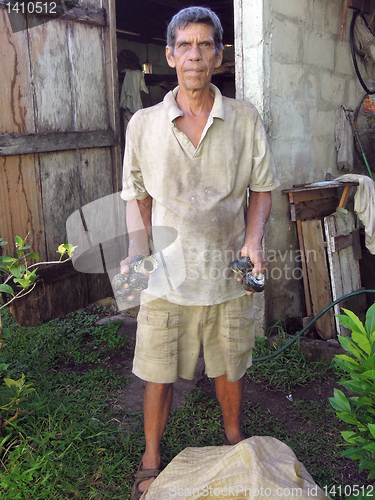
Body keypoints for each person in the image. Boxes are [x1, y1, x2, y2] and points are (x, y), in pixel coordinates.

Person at [120, 6, 280, 499]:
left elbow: (262, 189)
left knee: (229, 366)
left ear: (219, 55)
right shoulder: (143, 125)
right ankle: (152, 455)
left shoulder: (245, 118)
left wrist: (252, 240)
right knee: (157, 369)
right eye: (185, 45)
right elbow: (136, 196)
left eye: (205, 45)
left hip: (226, 272)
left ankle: (234, 437)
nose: (195, 55)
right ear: (169, 55)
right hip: (166, 274)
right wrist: (137, 250)